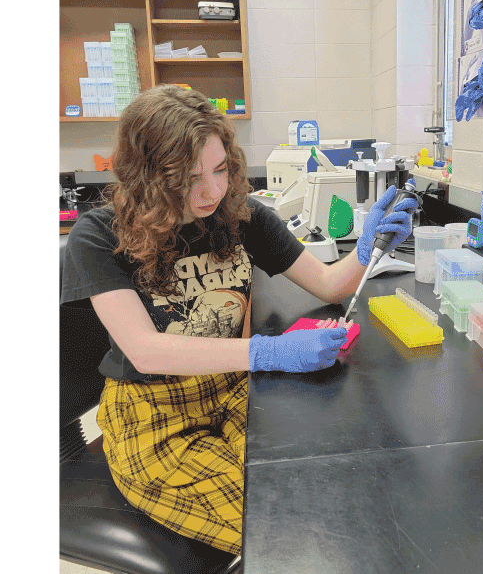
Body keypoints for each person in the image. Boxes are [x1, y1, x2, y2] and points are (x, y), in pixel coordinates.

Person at [60, 85, 418, 555]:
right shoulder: (101, 234)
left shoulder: (240, 217)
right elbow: (144, 349)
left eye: (221, 169)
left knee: (330, 490)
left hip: (231, 390)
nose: (212, 191)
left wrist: (369, 251)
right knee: (285, 531)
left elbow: (330, 285)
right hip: (152, 412)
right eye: (189, 179)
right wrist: (267, 352)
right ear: (148, 178)